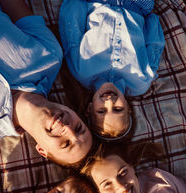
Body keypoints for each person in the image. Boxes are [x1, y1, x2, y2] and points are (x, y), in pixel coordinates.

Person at [0, 0, 92, 166]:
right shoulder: (50, 56)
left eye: (65, 144)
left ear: (42, 150)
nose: (68, 129)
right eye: (79, 128)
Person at [59, 0, 165, 140]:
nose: (109, 101)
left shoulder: (81, 72)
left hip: (98, 3)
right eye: (118, 109)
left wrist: (75, 3)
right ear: (128, 108)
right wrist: (151, 20)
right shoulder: (141, 83)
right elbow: (154, 47)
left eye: (101, 110)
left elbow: (72, 34)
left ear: (90, 108)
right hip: (136, 8)